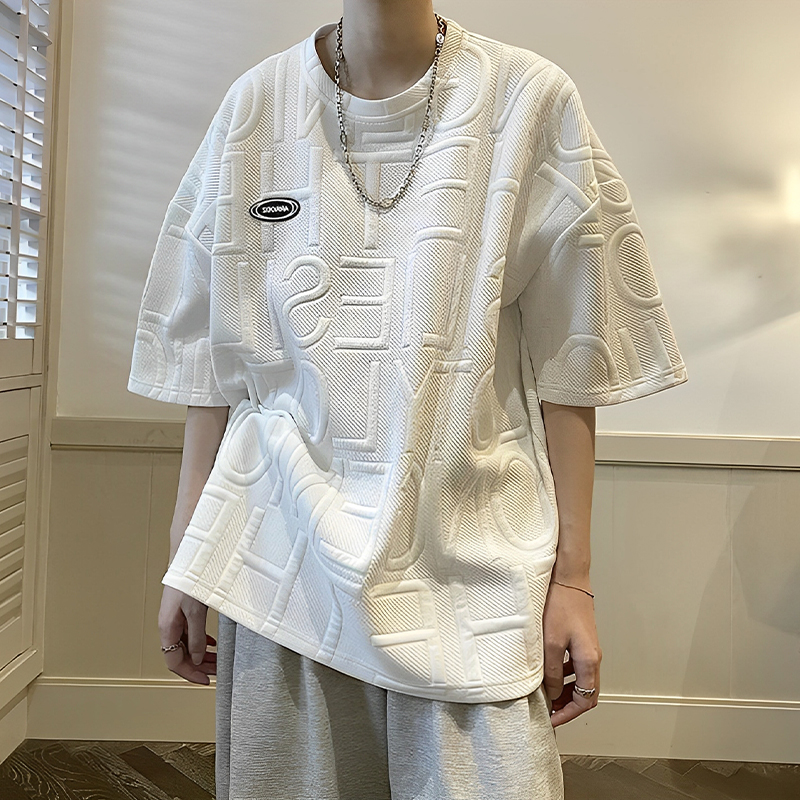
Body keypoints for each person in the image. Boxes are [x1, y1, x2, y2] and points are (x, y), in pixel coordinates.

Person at [128, 1, 689, 797]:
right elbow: (212, 356)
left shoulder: (528, 99)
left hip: (474, 563)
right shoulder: (257, 104)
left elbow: (576, 359)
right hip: (279, 556)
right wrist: (189, 554)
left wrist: (574, 582)